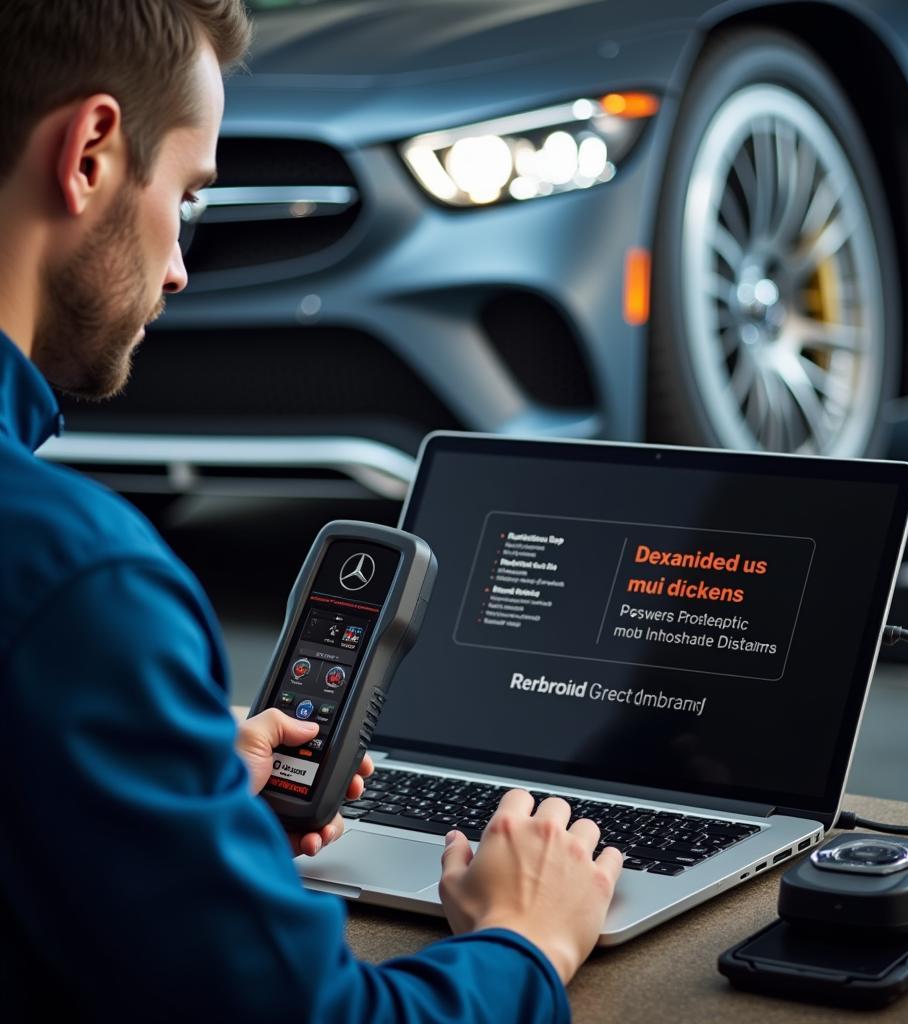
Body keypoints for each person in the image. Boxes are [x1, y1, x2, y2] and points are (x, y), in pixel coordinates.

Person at [0, 2, 622, 1019]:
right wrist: (523, 941)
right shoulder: (78, 580)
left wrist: (160, 799)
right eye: (190, 200)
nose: (179, 268)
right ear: (89, 155)